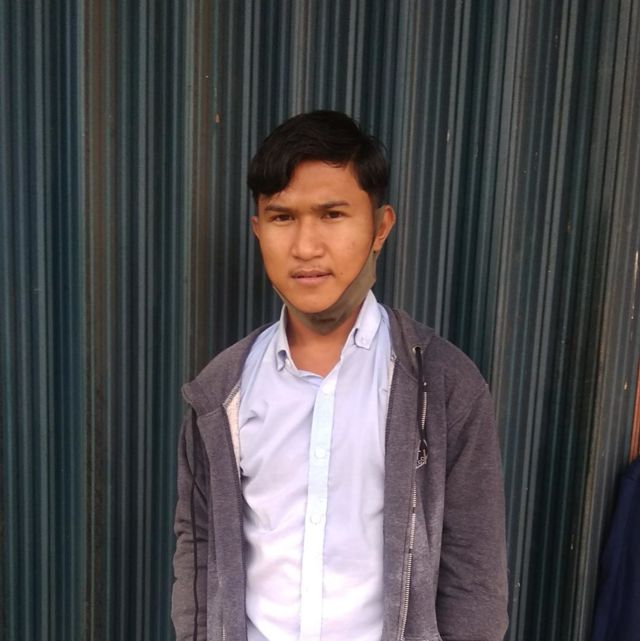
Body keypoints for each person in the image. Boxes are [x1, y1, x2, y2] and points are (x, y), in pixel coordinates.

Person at [171, 110, 509, 641]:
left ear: (380, 227)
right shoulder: (220, 394)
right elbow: (198, 553)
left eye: (332, 214)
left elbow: (475, 577)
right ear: (258, 230)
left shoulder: (444, 387)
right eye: (282, 217)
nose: (305, 246)